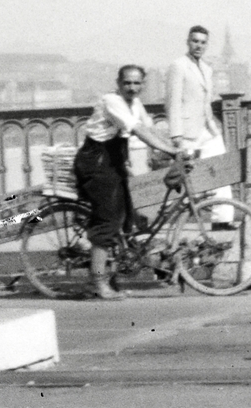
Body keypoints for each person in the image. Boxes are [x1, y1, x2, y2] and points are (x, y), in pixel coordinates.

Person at [74, 65, 180, 300]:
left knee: (126, 217)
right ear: (119, 83)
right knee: (108, 221)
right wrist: (169, 150)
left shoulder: (135, 104)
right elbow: (138, 130)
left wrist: (178, 148)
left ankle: (111, 277)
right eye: (127, 83)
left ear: (142, 85)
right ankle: (98, 283)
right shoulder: (112, 101)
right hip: (96, 162)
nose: (132, 87)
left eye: (137, 83)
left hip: (113, 161)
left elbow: (150, 128)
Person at [164, 25, 236, 226]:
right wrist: (176, 133)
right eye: (195, 41)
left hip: (208, 129)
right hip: (187, 132)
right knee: (183, 177)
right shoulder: (178, 66)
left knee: (221, 171)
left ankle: (222, 220)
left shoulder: (207, 68)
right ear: (188, 41)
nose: (199, 45)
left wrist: (213, 124)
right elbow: (173, 101)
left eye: (203, 42)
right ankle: (170, 218)